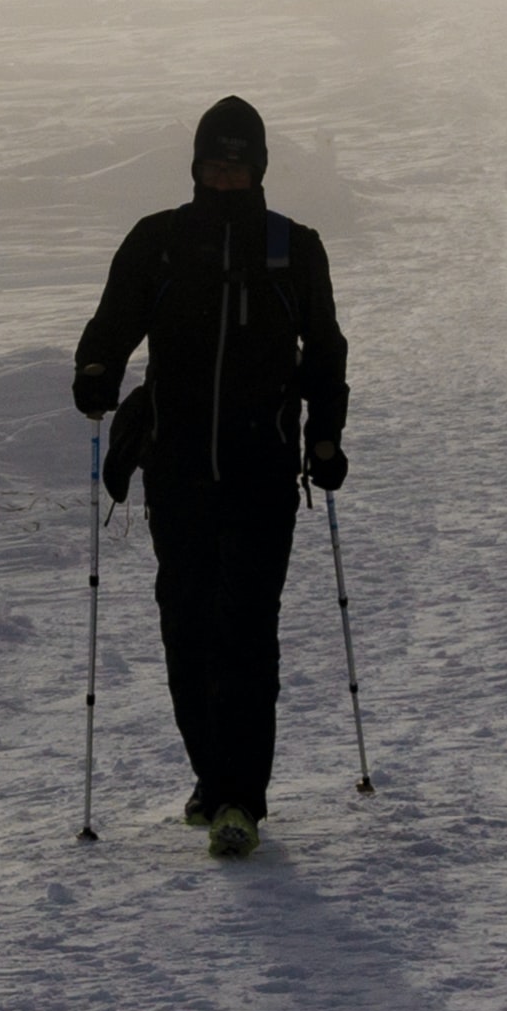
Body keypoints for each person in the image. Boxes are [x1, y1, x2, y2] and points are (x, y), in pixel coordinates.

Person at [73, 94, 347, 850]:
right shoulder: (158, 244)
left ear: (258, 170)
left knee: (248, 632)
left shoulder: (294, 250)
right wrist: (94, 372)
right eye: (213, 166)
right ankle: (210, 776)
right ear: (195, 169)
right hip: (179, 467)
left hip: (262, 471)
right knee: (187, 626)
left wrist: (324, 439)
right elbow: (111, 325)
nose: (225, 179)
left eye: (238, 166)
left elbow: (324, 355)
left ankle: (239, 801)